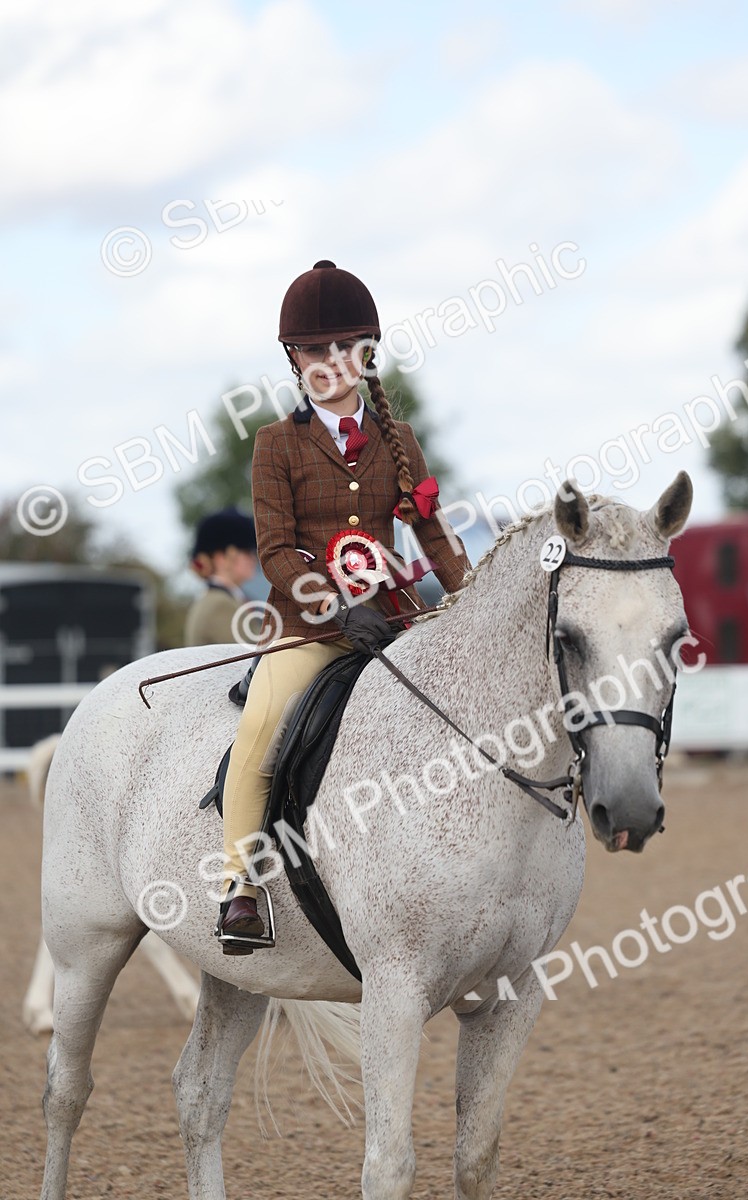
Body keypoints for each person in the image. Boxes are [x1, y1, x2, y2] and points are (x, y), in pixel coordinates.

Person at [217, 259, 470, 953]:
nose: (330, 363)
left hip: (392, 620)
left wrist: (473, 598)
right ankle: (240, 887)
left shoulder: (399, 441)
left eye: (345, 348)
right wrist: (333, 607)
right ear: (294, 359)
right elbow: (274, 551)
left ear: (367, 353)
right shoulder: (275, 445)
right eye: (314, 351)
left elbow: (434, 536)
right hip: (308, 630)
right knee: (261, 734)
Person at [184, 508, 259, 646]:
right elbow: (252, 655)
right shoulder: (221, 605)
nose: (253, 558)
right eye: (247, 551)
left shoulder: (222, 599)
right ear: (221, 558)